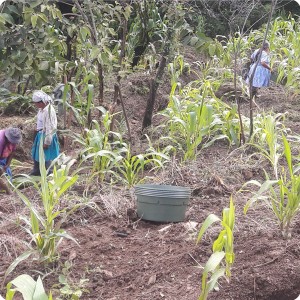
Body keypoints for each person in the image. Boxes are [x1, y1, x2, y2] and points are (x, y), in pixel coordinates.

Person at [30, 90, 60, 176]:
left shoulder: (49, 111)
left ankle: (48, 174)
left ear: (41, 102)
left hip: (46, 135)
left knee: (45, 156)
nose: (35, 105)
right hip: (40, 134)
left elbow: (50, 127)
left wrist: (47, 142)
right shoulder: (41, 109)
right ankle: (36, 171)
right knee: (37, 155)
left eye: (36, 103)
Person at [246, 41, 272, 106]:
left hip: (254, 67)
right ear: (267, 47)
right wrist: (269, 68)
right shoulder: (264, 53)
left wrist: (254, 63)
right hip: (259, 69)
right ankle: (251, 98)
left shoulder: (257, 50)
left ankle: (254, 95)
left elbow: (251, 58)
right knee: (256, 83)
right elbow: (263, 62)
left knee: (254, 82)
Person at [0, 127, 22, 194]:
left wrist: (7, 165)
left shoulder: (13, 140)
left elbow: (12, 152)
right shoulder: (1, 140)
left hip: (2, 158)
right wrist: (8, 191)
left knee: (8, 179)